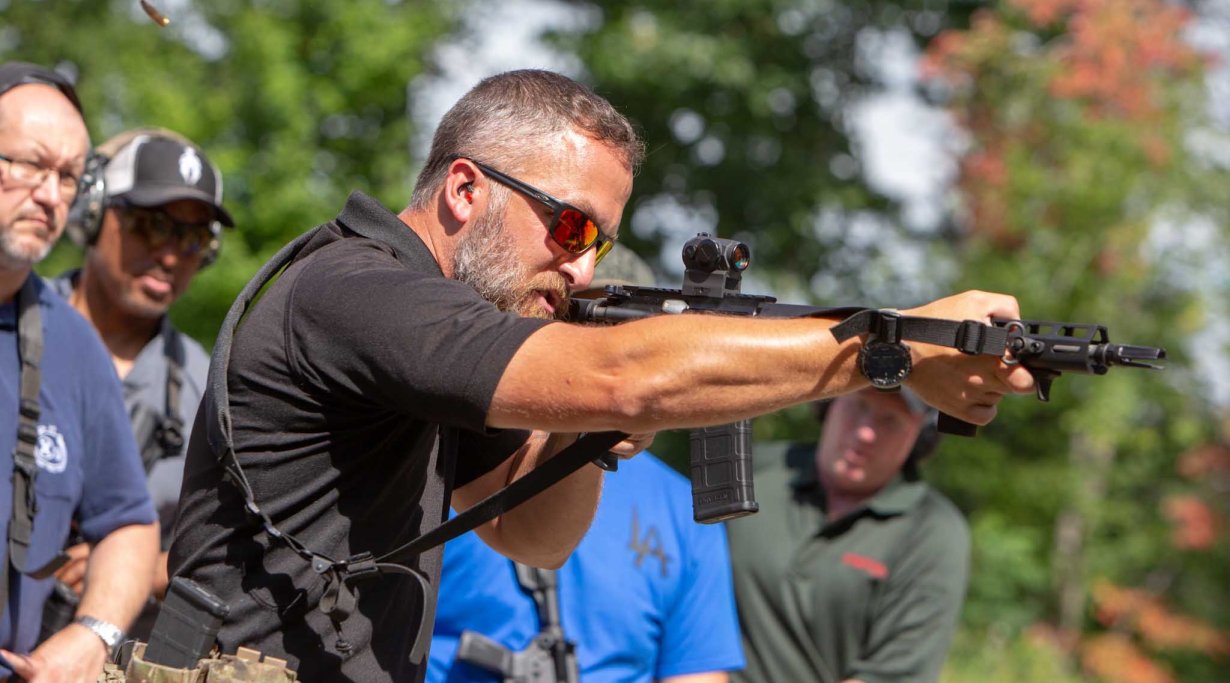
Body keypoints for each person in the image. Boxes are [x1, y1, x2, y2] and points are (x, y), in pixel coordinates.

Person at [168, 68, 1033, 682]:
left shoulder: (425, 336)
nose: (582, 271)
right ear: (466, 189)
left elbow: (530, 534)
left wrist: (595, 430)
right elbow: (625, 375)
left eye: (600, 244)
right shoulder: (361, 291)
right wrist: (894, 350)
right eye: (572, 229)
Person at [427, 245, 745, 683]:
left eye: (620, 327)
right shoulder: (443, 454)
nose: (596, 346)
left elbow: (697, 672)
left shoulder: (682, 506)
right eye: (580, 318)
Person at [0, 62, 159, 681]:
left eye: (67, 177)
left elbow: (130, 524)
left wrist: (93, 636)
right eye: (29, 165)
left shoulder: (69, 342)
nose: (49, 195)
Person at [48, 127, 234, 637]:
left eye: (194, 238)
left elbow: (239, 540)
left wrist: (139, 566)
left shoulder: (210, 389)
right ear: (92, 213)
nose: (171, 255)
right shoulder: (12, 332)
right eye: (152, 224)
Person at [726, 387, 970, 683]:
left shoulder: (931, 530)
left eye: (891, 420)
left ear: (920, 435)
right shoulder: (748, 473)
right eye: (858, 406)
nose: (866, 432)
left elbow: (891, 675)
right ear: (829, 404)